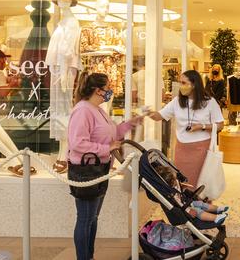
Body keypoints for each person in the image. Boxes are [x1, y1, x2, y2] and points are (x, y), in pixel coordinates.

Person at [67, 72, 145, 260]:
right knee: (86, 218)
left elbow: (112, 133)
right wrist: (106, 148)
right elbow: (77, 143)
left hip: (100, 170)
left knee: (92, 218)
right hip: (86, 172)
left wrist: (130, 125)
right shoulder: (83, 110)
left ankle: (89, 255)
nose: (111, 91)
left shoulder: (98, 110)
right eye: (108, 87)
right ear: (97, 90)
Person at [149, 70, 225, 186]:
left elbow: (220, 125)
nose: (181, 86)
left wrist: (201, 126)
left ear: (194, 84)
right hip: (181, 148)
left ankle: (201, 204)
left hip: (201, 148)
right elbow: (159, 116)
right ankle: (185, 204)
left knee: (199, 182)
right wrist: (147, 112)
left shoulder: (209, 102)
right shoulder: (177, 102)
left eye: (183, 83)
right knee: (182, 182)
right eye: (180, 83)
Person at [155, 165, 229, 224]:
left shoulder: (174, 182)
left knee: (201, 204)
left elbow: (179, 190)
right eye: (174, 180)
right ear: (170, 183)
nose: (176, 180)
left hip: (186, 202)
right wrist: (188, 211)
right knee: (197, 211)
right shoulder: (171, 194)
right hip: (184, 208)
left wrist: (183, 187)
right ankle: (215, 218)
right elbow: (179, 204)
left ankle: (218, 209)